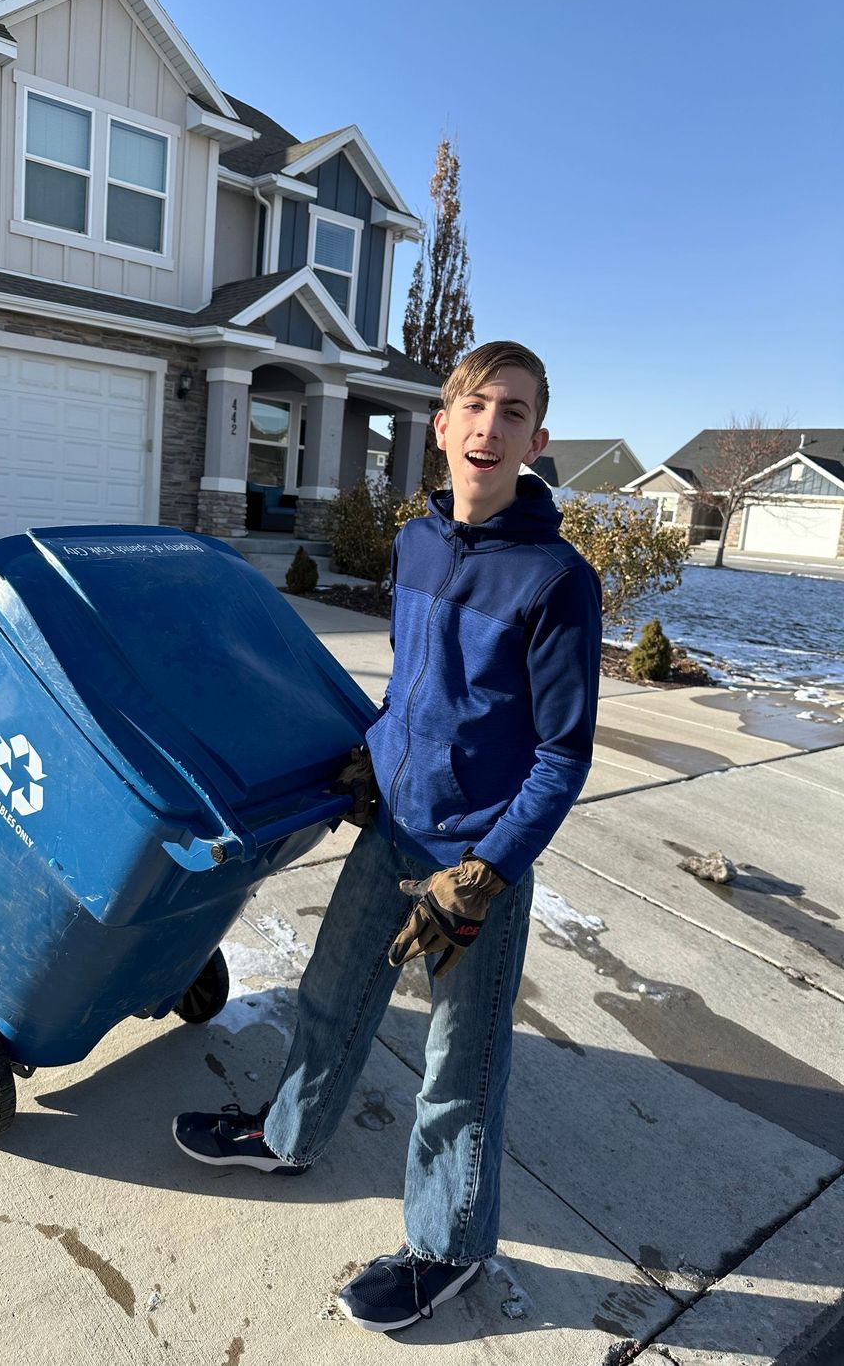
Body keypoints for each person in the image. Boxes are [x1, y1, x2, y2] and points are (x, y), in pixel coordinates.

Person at [173, 341, 602, 1332]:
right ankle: (287, 1134)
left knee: (460, 1064)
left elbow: (561, 756)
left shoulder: (552, 580)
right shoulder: (414, 547)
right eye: (472, 406)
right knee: (331, 991)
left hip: (472, 863)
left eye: (512, 411)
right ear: (441, 426)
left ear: (536, 439)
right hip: (394, 830)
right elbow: (413, 687)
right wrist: (376, 751)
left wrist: (483, 874)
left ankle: (446, 1245)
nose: (488, 427)